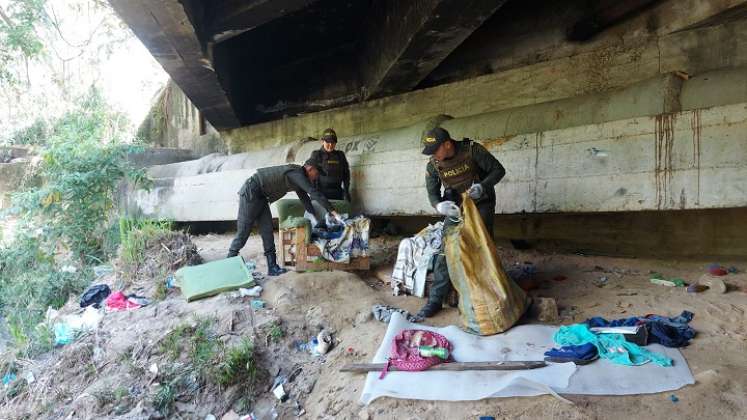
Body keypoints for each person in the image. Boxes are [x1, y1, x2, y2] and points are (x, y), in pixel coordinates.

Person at [417, 127, 506, 318]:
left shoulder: (472, 150)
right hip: (456, 207)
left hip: (481, 202)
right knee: (445, 251)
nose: (433, 155)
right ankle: (435, 300)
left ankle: (488, 294)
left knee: (481, 247)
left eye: (435, 150)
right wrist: (439, 206)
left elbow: (498, 170)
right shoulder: (433, 165)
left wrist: (483, 186)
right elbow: (432, 193)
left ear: (447, 144)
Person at [227, 160, 342, 276]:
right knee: (244, 231)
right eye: (316, 174)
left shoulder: (298, 178)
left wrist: (316, 218)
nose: (316, 178)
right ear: (310, 169)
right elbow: (313, 192)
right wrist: (333, 211)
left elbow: (306, 200)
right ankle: (228, 264)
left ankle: (272, 267)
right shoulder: (297, 173)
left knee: (267, 231)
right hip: (251, 192)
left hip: (262, 197)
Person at [307, 128, 351, 201]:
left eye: (333, 142)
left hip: (337, 193)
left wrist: (346, 192)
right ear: (322, 141)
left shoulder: (340, 155)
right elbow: (308, 174)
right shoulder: (316, 155)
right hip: (321, 194)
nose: (330, 145)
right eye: (328, 142)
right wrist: (314, 193)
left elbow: (346, 175)